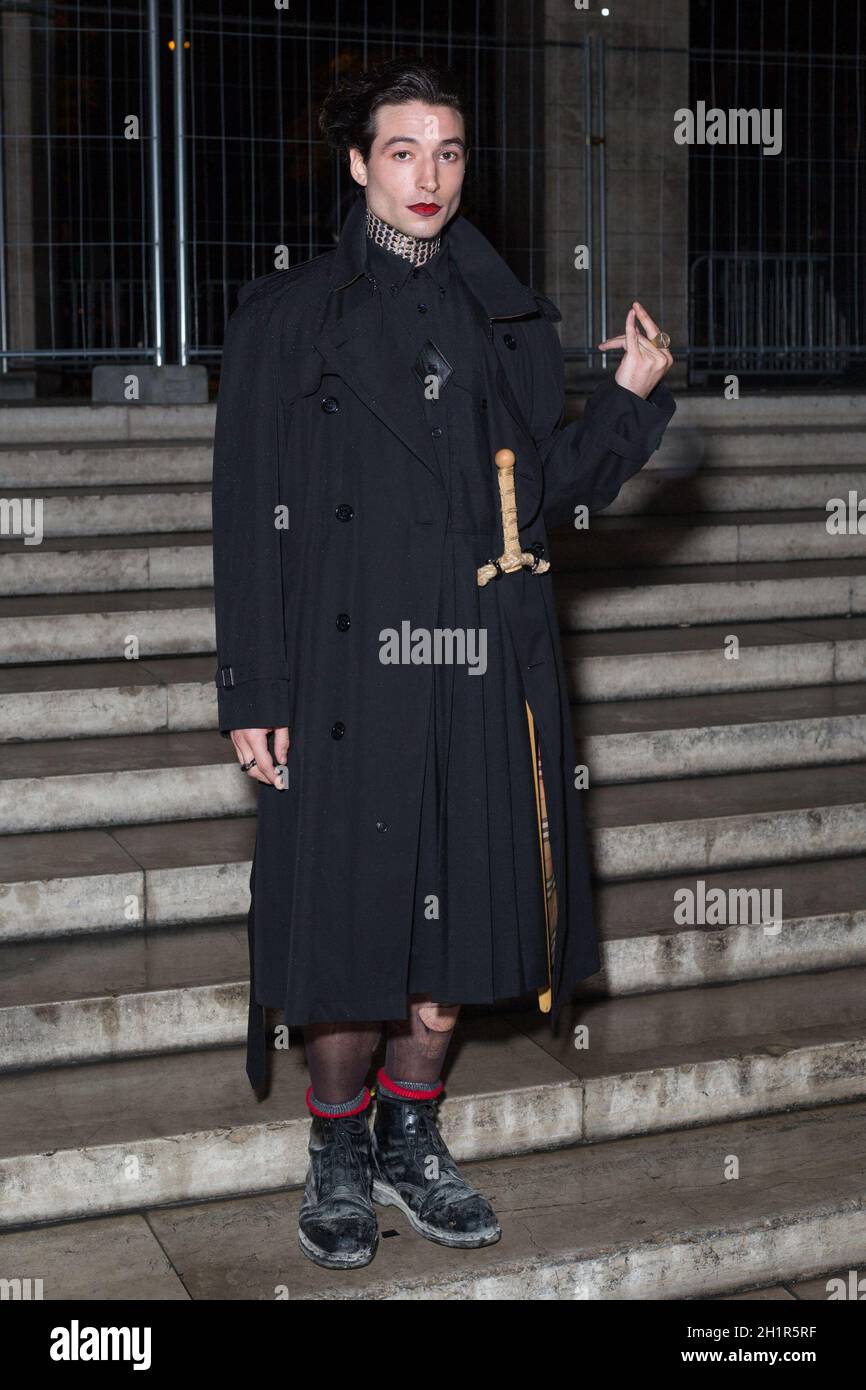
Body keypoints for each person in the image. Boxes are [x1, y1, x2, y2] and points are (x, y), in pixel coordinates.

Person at [211, 56, 676, 1272]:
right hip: (341, 670)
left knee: (461, 922)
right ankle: (336, 1150)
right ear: (358, 163)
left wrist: (625, 400)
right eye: (404, 151)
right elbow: (245, 511)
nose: (428, 176)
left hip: (480, 663)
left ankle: (412, 1140)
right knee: (350, 932)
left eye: (450, 152)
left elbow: (544, 498)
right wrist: (253, 690)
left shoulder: (504, 319)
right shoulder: (286, 317)